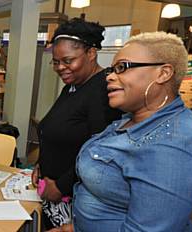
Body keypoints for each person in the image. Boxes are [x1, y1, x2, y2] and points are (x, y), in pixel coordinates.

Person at [71, 31, 192, 231]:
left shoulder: (174, 148)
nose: (110, 77)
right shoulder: (134, 119)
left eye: (122, 67)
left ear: (163, 73)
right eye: (112, 69)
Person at [31, 18, 123, 230]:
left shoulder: (103, 91)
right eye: (56, 62)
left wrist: (62, 186)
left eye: (68, 60)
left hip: (73, 201)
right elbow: (63, 133)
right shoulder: (72, 86)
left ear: (91, 53)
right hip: (53, 192)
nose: (60, 67)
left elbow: (101, 153)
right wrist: (41, 164)